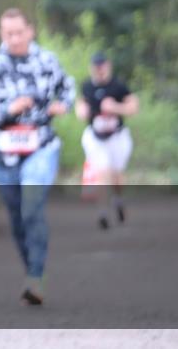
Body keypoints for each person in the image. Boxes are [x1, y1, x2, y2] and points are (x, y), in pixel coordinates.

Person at [0, 8, 74, 306]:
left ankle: (36, 277)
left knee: (32, 206)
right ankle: (31, 271)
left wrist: (60, 106)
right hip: (3, 151)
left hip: (40, 145)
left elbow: (67, 90)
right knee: (16, 217)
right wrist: (8, 110)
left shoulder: (47, 61)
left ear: (30, 31)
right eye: (7, 33)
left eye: (19, 32)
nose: (13, 39)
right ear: (2, 35)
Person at [76, 52, 139, 229]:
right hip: (96, 137)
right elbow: (80, 104)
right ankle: (102, 211)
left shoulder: (118, 86)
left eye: (102, 65)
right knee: (102, 172)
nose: (99, 70)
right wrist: (82, 111)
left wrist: (116, 107)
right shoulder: (87, 86)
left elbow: (133, 107)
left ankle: (118, 199)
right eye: (96, 66)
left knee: (117, 175)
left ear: (108, 66)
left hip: (117, 137)